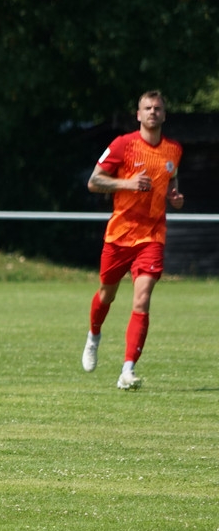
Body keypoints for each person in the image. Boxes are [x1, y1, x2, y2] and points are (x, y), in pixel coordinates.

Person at [82, 90, 184, 390]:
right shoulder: (123, 145)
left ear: (164, 115)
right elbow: (94, 181)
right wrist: (127, 183)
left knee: (142, 299)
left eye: (158, 108)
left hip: (152, 236)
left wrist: (174, 196)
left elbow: (171, 179)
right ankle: (94, 335)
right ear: (138, 114)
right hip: (120, 234)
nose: (153, 112)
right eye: (147, 108)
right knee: (106, 294)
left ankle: (128, 370)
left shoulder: (174, 149)